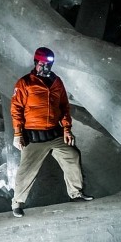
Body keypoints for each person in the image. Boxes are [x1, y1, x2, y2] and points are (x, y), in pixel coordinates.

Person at [10, 47, 93, 218]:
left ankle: (76, 193)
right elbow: (16, 109)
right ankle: (17, 203)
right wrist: (18, 133)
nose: (46, 68)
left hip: (54, 134)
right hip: (33, 136)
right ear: (36, 63)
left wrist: (67, 129)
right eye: (42, 64)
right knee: (26, 170)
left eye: (49, 64)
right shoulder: (25, 83)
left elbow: (64, 107)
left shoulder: (57, 82)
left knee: (72, 155)